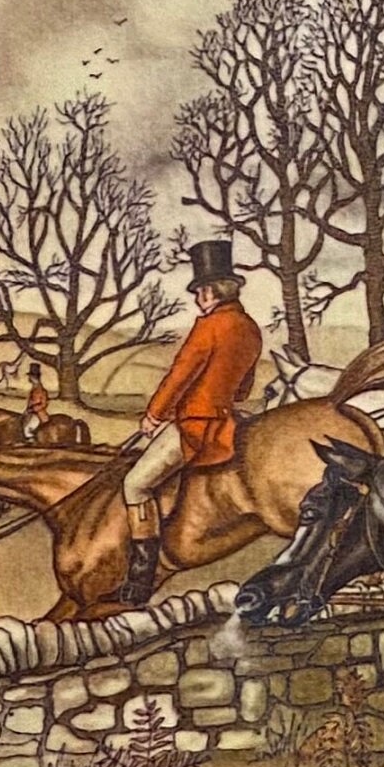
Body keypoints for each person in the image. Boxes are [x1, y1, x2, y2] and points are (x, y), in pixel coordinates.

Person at [121, 241, 263, 605]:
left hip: (194, 427)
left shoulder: (208, 326)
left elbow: (180, 375)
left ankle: (140, 577)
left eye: (200, 291)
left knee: (135, 484)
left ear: (212, 291)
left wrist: (154, 414)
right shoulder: (250, 328)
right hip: (226, 422)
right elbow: (243, 388)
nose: (198, 298)